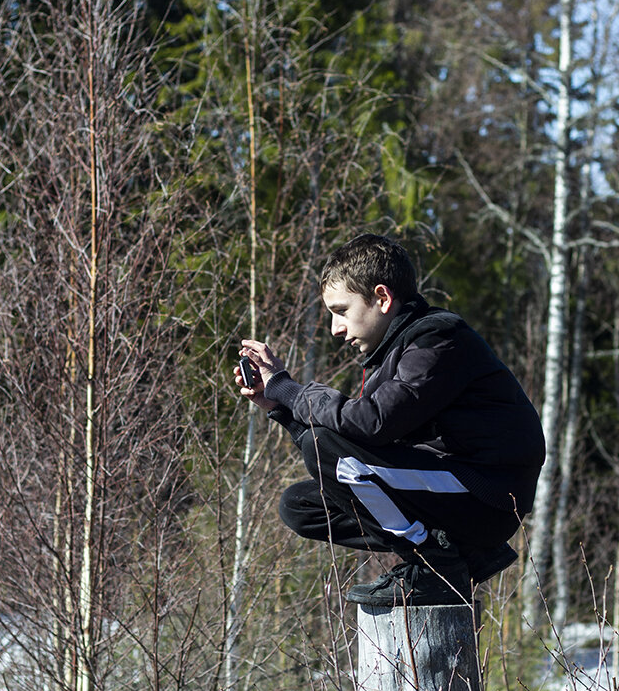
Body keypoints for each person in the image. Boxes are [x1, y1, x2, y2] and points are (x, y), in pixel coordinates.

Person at [234, 234, 545, 607]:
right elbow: (354, 444)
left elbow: (372, 422)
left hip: (486, 497)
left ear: (382, 298)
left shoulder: (438, 341)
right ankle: (463, 556)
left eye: (341, 311)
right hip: (454, 490)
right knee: (301, 505)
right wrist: (280, 407)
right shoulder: (395, 352)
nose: (335, 329)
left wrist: (288, 389)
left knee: (330, 449)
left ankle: (439, 566)